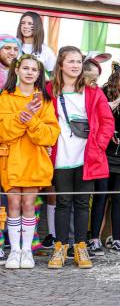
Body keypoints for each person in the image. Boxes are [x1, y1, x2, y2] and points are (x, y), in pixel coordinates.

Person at [46, 46, 114, 269]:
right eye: (71, 61)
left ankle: (81, 247)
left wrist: (99, 146)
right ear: (61, 64)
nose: (75, 65)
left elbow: (107, 122)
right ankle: (60, 248)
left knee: (83, 203)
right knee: (63, 202)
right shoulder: (49, 90)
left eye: (78, 62)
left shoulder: (93, 92)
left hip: (87, 155)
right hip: (60, 155)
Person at [0, 55, 59, 268]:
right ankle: (14, 251)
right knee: (13, 203)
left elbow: (50, 135)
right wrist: (22, 116)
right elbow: (3, 131)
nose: (29, 72)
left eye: (34, 69)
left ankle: (27, 251)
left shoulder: (44, 100)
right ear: (16, 70)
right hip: (10, 159)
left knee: (28, 204)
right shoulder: (5, 98)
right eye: (25, 68)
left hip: (34, 158)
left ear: (39, 74)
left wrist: (31, 120)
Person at [88, 62, 120, 256]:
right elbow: (94, 120)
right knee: (101, 196)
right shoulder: (103, 95)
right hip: (105, 155)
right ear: (114, 82)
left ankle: (117, 239)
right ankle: (94, 239)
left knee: (119, 198)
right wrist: (108, 128)